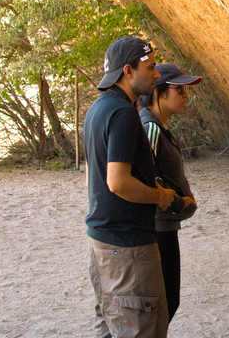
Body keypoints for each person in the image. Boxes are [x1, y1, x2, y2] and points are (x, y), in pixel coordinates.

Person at [83, 36, 180, 338]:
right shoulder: (124, 114)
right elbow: (117, 181)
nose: (157, 74)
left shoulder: (98, 109)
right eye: (150, 68)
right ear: (127, 71)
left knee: (110, 327)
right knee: (141, 328)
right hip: (129, 248)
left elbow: (92, 176)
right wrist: (161, 197)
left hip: (102, 241)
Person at [138, 64, 200, 322]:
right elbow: (146, 176)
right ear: (158, 93)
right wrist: (175, 203)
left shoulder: (158, 127)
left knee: (167, 302)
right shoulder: (150, 128)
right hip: (158, 227)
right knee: (165, 302)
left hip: (165, 225)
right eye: (179, 90)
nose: (185, 95)